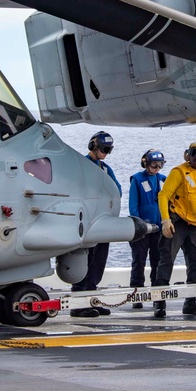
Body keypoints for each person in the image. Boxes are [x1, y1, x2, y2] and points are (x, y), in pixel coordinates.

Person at [154, 141, 196, 318]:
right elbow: (163, 195)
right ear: (187, 155)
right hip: (177, 223)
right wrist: (166, 221)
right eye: (194, 153)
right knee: (166, 261)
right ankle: (159, 303)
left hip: (194, 226)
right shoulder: (178, 172)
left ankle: (190, 302)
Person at [70, 131, 122, 318]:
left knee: (98, 262)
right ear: (93, 146)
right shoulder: (81, 166)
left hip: (102, 222)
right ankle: (78, 302)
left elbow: (117, 190)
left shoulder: (106, 169)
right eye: (103, 149)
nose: (106, 153)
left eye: (109, 149)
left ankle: (91, 298)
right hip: (86, 223)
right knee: (83, 261)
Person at [128, 149, 166, 309]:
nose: (156, 168)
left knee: (158, 262)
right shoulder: (137, 179)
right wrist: (140, 226)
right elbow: (133, 206)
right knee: (139, 261)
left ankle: (158, 297)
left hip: (159, 230)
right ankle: (137, 295)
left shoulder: (163, 179)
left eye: (160, 165)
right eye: (153, 165)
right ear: (146, 164)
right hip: (142, 230)